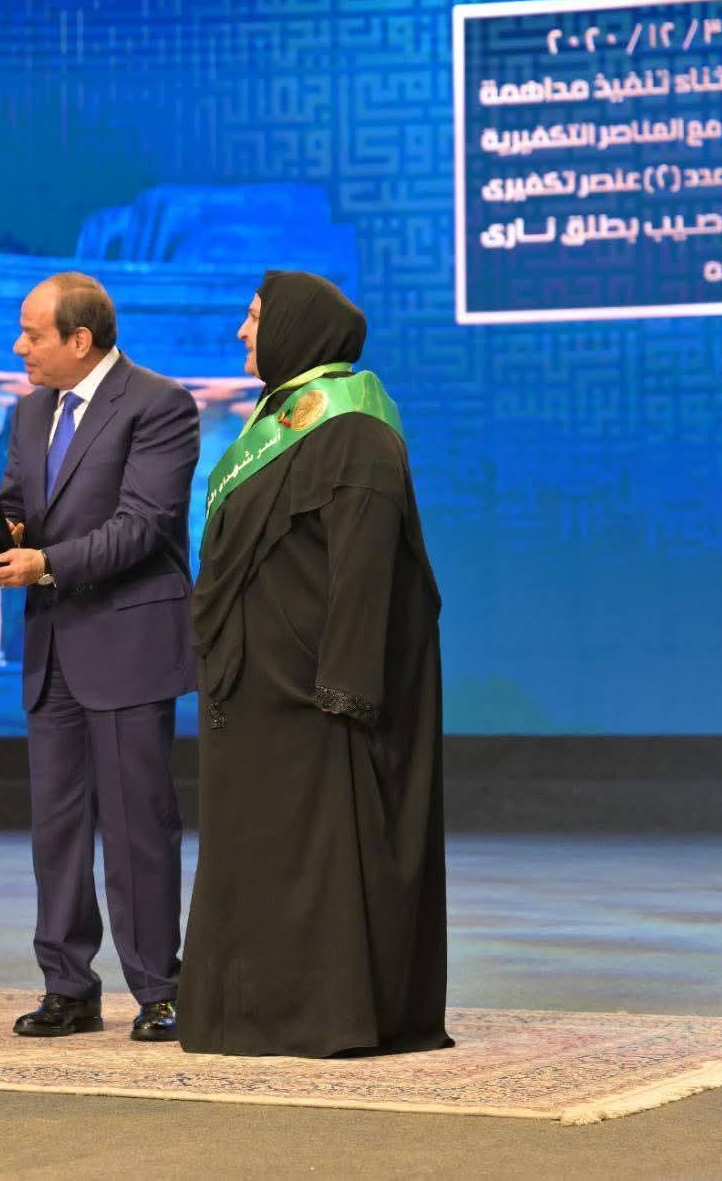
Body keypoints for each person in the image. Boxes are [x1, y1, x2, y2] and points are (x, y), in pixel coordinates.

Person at [178, 270, 450, 1059]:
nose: (242, 331)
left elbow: (365, 570)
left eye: (254, 316)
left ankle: (323, 1016)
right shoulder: (274, 425)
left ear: (296, 328)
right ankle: (251, 1014)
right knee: (256, 859)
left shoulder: (357, 428)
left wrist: (344, 685)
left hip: (318, 698)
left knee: (321, 863)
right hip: (254, 693)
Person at [0, 273, 200, 1043]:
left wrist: (44, 564)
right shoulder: (29, 410)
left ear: (80, 340)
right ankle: (68, 988)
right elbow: (16, 505)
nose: (19, 347)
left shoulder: (159, 404)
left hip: (127, 642)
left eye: (32, 334)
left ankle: (160, 990)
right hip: (52, 649)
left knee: (138, 826)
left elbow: (143, 525)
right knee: (58, 830)